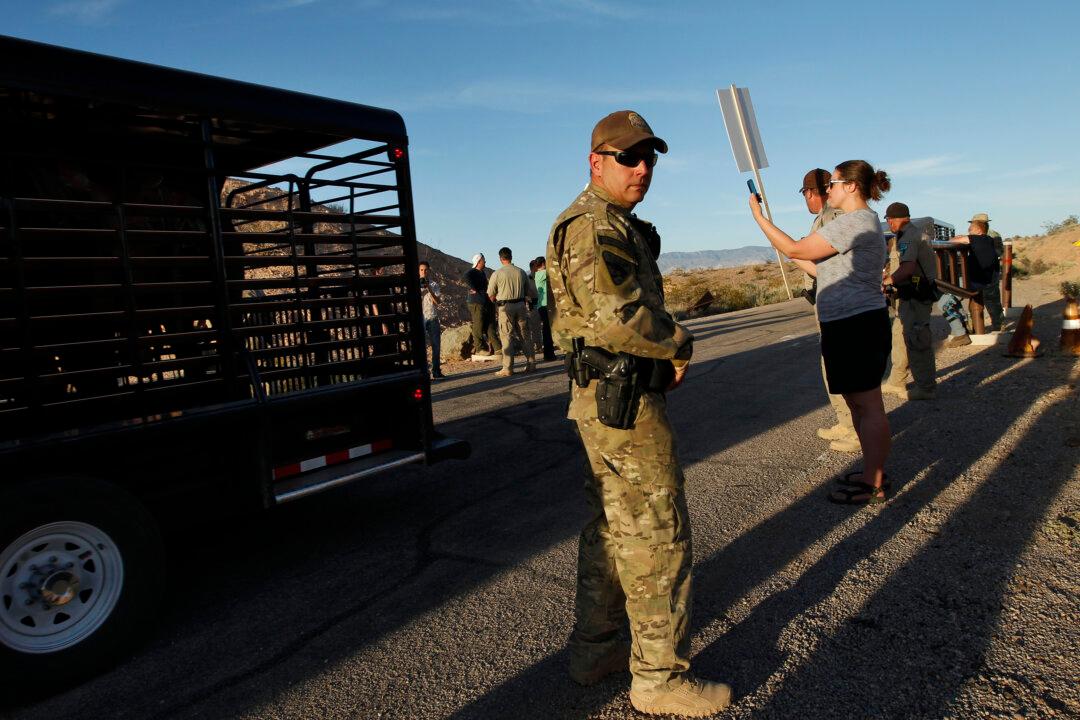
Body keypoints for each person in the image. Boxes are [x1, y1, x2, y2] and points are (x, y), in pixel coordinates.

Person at [547, 109, 731, 716]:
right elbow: (616, 317)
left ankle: (595, 652)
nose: (642, 167)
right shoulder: (594, 225)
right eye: (629, 157)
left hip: (606, 399)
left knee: (612, 529)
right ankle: (659, 679)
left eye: (649, 156)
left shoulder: (612, 223)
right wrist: (679, 342)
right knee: (655, 533)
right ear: (596, 161)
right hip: (620, 400)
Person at [750, 159, 892, 505]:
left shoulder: (857, 221)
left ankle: (873, 482)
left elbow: (798, 248)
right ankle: (870, 469)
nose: (828, 189)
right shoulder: (854, 222)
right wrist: (782, 246)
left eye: (834, 183)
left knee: (868, 404)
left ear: (851, 187)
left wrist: (759, 219)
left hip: (857, 324)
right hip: (846, 323)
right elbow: (815, 267)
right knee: (858, 404)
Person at [798, 168, 859, 453]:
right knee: (834, 363)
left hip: (837, 301)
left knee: (841, 364)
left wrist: (795, 252)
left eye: (806, 194)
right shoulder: (827, 218)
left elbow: (825, 267)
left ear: (812, 192)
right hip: (834, 299)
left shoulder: (831, 219)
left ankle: (854, 427)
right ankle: (845, 421)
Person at [880, 203, 936, 400]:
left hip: (916, 295)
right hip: (906, 295)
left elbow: (908, 268)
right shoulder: (906, 235)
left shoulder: (910, 237)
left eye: (889, 220)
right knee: (899, 336)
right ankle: (897, 380)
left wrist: (886, 281)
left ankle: (926, 387)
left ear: (894, 219)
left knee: (917, 339)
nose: (889, 224)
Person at [487, 246, 537, 377]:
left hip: (505, 307)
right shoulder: (521, 272)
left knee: (506, 336)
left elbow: (491, 295)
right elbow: (528, 291)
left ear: (500, 258)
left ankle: (508, 367)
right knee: (524, 334)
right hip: (521, 305)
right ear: (511, 256)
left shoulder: (497, 274)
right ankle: (531, 363)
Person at [952, 218, 1004, 331]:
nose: (969, 232)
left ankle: (969, 326)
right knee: (993, 303)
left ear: (979, 231)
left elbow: (954, 241)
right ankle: (998, 325)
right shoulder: (988, 239)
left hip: (982, 280)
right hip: (989, 277)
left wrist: (959, 237)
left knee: (952, 297)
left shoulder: (978, 239)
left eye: (971, 230)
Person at [464, 253, 501, 357]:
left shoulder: (482, 273)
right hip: (476, 303)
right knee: (478, 325)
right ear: (479, 261)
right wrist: (473, 288)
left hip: (485, 302)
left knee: (490, 325)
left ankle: (497, 348)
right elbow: (466, 276)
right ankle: (479, 349)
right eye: (484, 260)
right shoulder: (472, 271)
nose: (485, 262)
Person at [418, 260, 443, 379]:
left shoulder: (434, 285)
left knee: (436, 345)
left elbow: (437, 301)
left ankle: (436, 371)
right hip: (421, 318)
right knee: (421, 346)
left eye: (425, 270)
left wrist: (428, 288)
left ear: (429, 271)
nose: (423, 272)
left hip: (432, 317)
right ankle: (424, 372)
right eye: (421, 270)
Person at [533, 256, 557, 360]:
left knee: (546, 330)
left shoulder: (537, 274)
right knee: (547, 331)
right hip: (545, 305)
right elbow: (553, 272)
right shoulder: (542, 273)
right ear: (543, 263)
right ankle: (549, 354)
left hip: (541, 306)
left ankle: (549, 354)